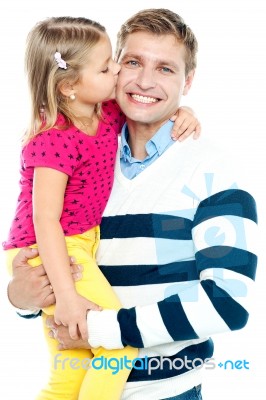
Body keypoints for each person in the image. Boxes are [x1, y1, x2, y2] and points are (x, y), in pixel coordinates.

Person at [7, 8, 258, 400]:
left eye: (165, 69)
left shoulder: (212, 173)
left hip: (168, 392)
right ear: (113, 69)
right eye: (132, 62)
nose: (144, 80)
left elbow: (228, 304)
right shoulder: (85, 151)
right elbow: (53, 254)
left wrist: (102, 330)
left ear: (188, 81)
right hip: (80, 386)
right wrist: (21, 299)